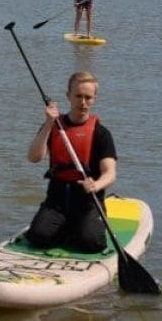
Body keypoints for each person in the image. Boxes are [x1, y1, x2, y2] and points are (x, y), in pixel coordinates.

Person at [24, 71, 117, 253]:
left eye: (88, 97)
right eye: (78, 96)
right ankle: (64, 227)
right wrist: (48, 123)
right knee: (38, 237)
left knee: (92, 244)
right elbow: (33, 157)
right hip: (57, 199)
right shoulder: (54, 126)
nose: (83, 102)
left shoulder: (101, 133)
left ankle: (82, 227)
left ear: (94, 99)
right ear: (68, 96)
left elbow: (110, 173)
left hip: (87, 201)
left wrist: (96, 185)